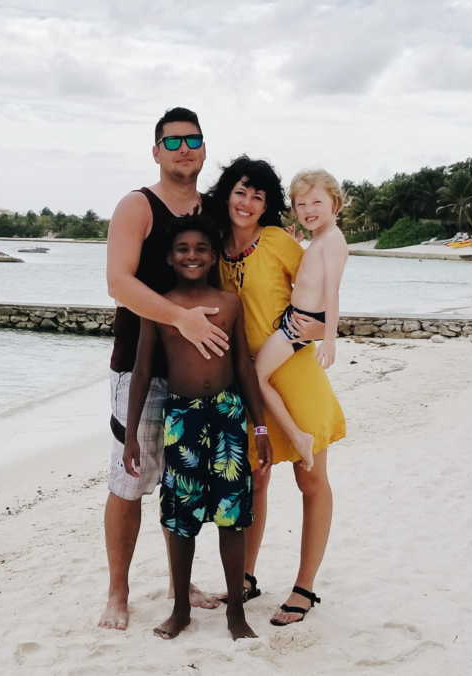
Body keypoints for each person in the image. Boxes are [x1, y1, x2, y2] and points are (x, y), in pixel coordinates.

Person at [100, 107, 229, 631]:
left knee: (185, 483)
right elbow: (118, 283)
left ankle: (180, 582)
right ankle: (118, 592)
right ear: (155, 151)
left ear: (204, 148)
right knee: (129, 482)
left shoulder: (216, 211)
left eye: (192, 140)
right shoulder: (138, 206)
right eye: (171, 142)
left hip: (200, 373)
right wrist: (181, 319)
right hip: (140, 368)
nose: (183, 149)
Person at [207, 156, 346, 626]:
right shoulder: (216, 247)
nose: (246, 203)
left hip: (295, 373)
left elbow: (316, 292)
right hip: (245, 383)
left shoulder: (279, 242)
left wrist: (317, 330)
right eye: (240, 192)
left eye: (258, 196)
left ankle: (305, 587)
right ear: (227, 194)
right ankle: (245, 578)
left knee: (310, 479)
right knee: (254, 479)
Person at [123, 217, 271, 640]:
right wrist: (131, 433)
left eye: (201, 248)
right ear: (170, 257)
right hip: (182, 418)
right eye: (183, 249)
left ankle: (236, 612)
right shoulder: (160, 305)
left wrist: (259, 428)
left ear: (213, 256)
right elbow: (143, 369)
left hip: (227, 415)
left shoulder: (229, 302)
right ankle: (181, 609)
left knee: (232, 516)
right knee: (180, 517)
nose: (192, 255)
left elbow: (243, 365)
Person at [253, 169, 349, 472]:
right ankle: (295, 434)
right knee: (259, 375)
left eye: (316, 203)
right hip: (294, 320)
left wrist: (329, 339)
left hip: (299, 325)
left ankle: (298, 436)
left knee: (257, 377)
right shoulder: (320, 239)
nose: (308, 211)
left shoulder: (333, 241)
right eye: (301, 205)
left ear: (335, 202)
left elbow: (332, 292)